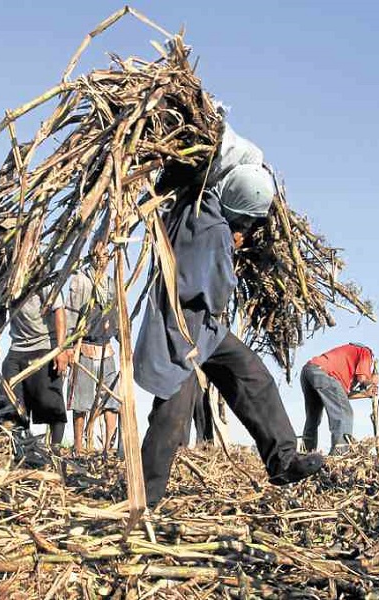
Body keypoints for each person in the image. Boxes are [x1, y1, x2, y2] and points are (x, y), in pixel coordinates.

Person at [134, 121, 324, 508]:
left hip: (205, 326)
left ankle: (283, 460)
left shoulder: (194, 199)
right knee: (172, 415)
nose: (250, 231)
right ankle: (144, 500)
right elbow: (218, 292)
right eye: (249, 224)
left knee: (250, 374)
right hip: (182, 326)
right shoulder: (216, 230)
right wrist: (234, 246)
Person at [0, 219, 69, 450]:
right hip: (17, 350)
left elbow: (58, 310)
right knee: (9, 401)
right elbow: (0, 314)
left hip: (43, 347)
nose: (1, 245)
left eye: (6, 240)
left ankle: (55, 451)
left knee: (47, 401)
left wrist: (60, 349)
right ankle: (18, 448)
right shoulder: (1, 277)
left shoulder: (37, 270)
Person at [66, 238, 121, 456]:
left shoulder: (111, 284)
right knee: (81, 401)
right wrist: (69, 347)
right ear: (91, 256)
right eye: (99, 256)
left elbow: (118, 317)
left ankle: (108, 447)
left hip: (106, 349)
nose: (102, 260)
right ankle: (79, 447)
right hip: (85, 346)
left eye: (106, 256)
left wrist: (124, 343)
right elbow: (70, 313)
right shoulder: (81, 281)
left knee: (111, 400)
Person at [300, 343, 379, 454]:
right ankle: (339, 454)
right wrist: (372, 380)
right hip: (323, 373)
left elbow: (342, 397)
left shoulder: (345, 371)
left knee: (313, 418)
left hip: (309, 370)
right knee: (345, 413)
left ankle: (306, 454)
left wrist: (365, 394)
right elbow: (362, 378)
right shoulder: (366, 352)